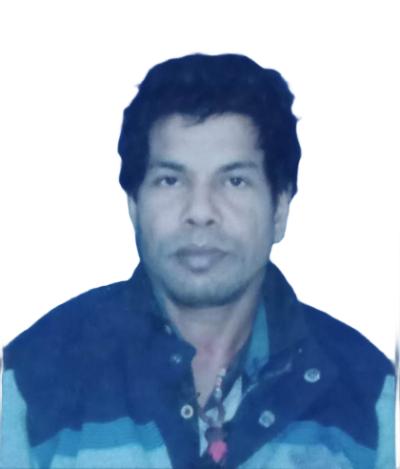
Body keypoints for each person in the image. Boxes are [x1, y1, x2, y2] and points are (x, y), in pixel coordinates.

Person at [0, 54, 396, 469]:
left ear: (280, 209)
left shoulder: (372, 395)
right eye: (171, 180)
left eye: (234, 181)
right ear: (134, 206)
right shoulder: (30, 380)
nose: (201, 211)